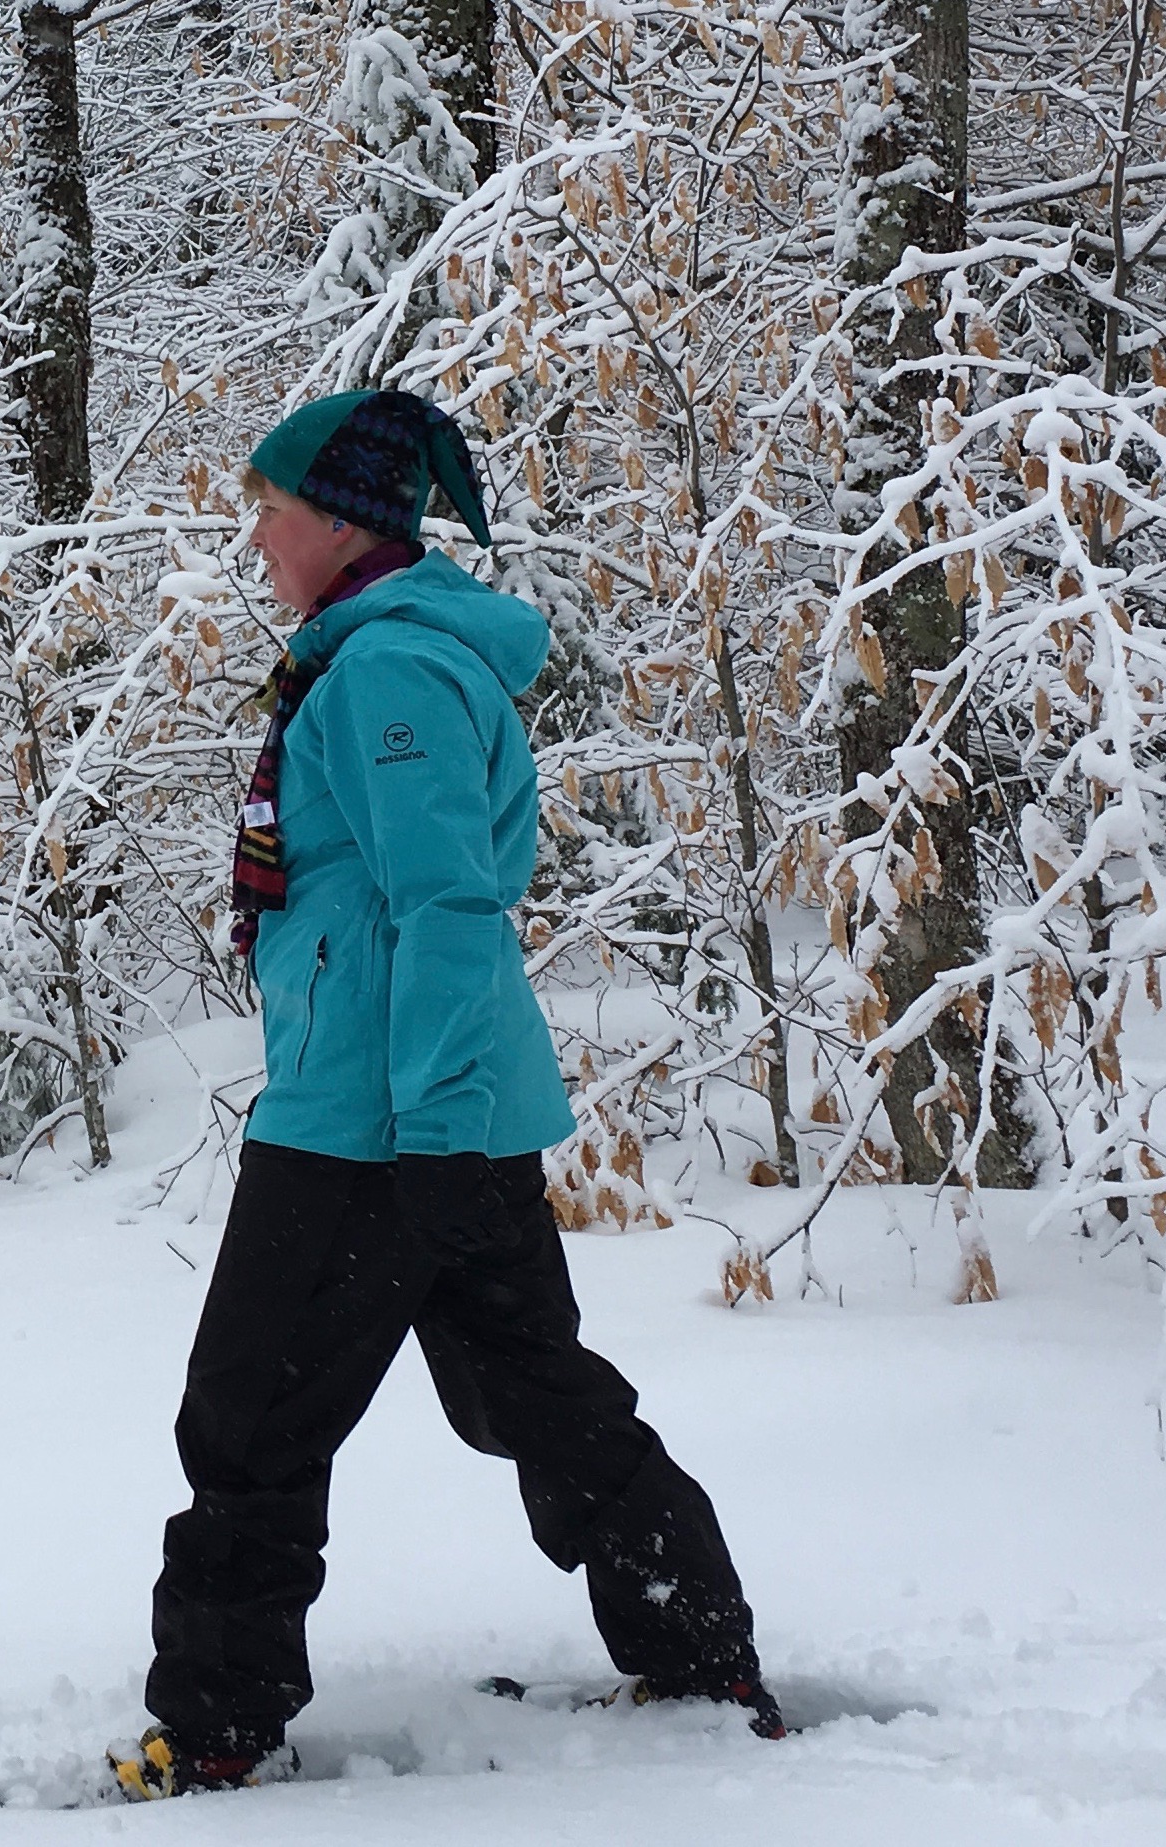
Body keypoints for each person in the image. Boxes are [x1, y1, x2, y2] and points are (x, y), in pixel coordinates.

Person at [110, 390, 777, 1802]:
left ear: (343, 526)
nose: (255, 536)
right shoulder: (374, 662)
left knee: (248, 1415)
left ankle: (217, 1726)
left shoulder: (387, 679)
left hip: (374, 1125)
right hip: (435, 1114)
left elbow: (449, 909)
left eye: (270, 510)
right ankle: (696, 1650)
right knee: (528, 1394)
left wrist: (422, 1132)